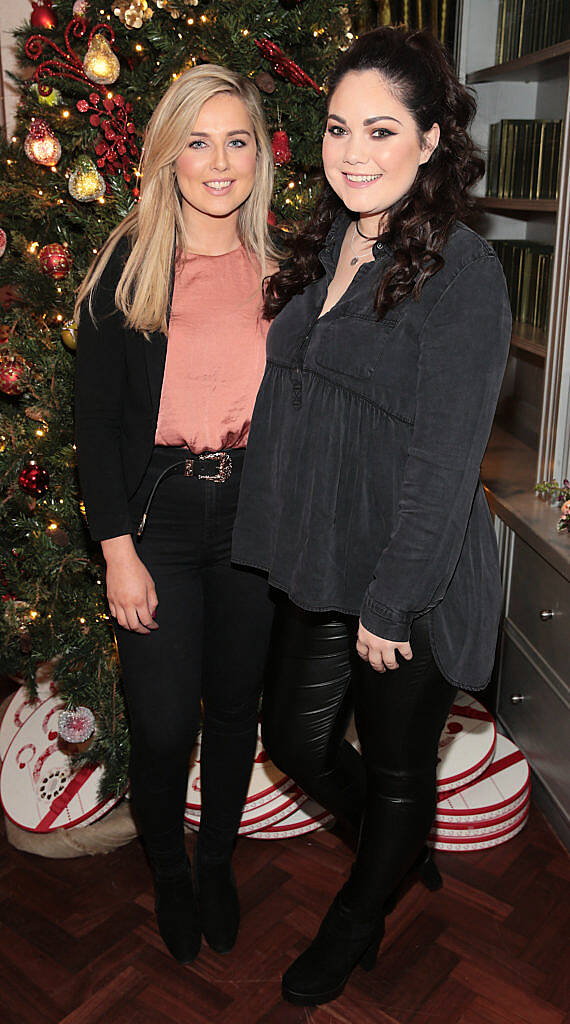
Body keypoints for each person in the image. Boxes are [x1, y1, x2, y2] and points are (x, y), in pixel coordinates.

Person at [232, 26, 511, 1006]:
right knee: (298, 741)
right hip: (322, 556)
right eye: (339, 128)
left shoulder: (464, 272)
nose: (353, 152)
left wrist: (391, 601)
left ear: (431, 140)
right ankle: (398, 846)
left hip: (410, 573)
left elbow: (444, 461)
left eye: (381, 129)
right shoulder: (332, 241)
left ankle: (358, 914)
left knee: (396, 765)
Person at [75, 65, 277, 964]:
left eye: (237, 139)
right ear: (167, 156)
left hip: (255, 516)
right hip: (157, 515)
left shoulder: (288, 265)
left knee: (235, 711)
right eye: (198, 141)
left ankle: (219, 862)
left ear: (261, 153)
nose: (219, 160)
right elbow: (95, 424)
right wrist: (116, 550)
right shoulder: (128, 263)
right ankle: (169, 868)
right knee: (164, 724)